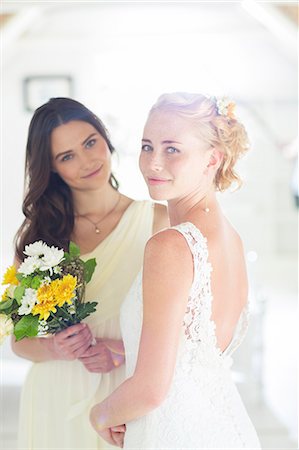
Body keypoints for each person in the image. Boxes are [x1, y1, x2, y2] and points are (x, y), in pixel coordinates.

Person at [90, 92, 262, 449]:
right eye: (146, 146)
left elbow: (151, 390)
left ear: (212, 159)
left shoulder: (170, 245)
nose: (153, 162)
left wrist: (100, 414)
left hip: (174, 433)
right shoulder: (232, 239)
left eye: (172, 149)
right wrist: (124, 347)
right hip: (226, 430)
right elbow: (192, 349)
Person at [11, 97, 169, 450]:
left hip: (125, 392)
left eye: (90, 143)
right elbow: (19, 342)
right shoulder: (39, 238)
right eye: (67, 156)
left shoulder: (157, 221)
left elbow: (187, 324)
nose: (86, 161)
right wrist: (55, 347)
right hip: (56, 397)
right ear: (51, 168)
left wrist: (126, 350)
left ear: (105, 138)